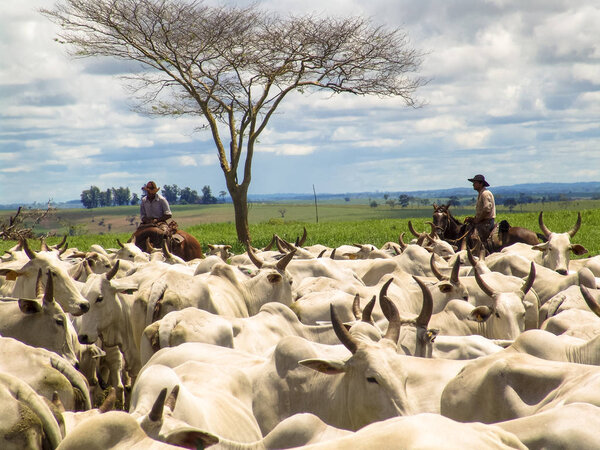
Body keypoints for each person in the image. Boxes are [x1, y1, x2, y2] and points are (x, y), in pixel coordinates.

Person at [466, 174, 496, 245]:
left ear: (481, 184)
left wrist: (477, 220)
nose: (473, 185)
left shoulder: (485, 194)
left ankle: (481, 251)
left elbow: (486, 209)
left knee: (474, 238)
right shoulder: (481, 193)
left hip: (486, 223)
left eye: (475, 183)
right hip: (483, 221)